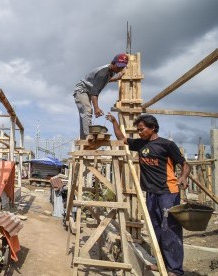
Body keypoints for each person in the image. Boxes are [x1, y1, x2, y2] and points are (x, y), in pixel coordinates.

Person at [105, 113, 191, 276]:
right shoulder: (140, 144)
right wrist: (115, 121)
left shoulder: (167, 145)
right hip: (151, 193)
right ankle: (162, 263)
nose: (139, 132)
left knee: (170, 229)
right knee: (156, 229)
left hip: (168, 192)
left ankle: (176, 269)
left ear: (153, 128)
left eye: (142, 129)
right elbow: (122, 138)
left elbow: (185, 164)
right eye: (138, 130)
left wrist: (183, 177)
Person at [74, 53, 129, 139]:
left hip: (88, 91)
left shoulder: (111, 71)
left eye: (122, 67)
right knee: (87, 111)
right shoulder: (103, 73)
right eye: (119, 66)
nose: (120, 69)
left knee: (85, 113)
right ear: (113, 63)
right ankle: (88, 137)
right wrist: (96, 108)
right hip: (82, 90)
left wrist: (116, 79)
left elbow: (105, 80)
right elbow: (94, 93)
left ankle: (84, 137)